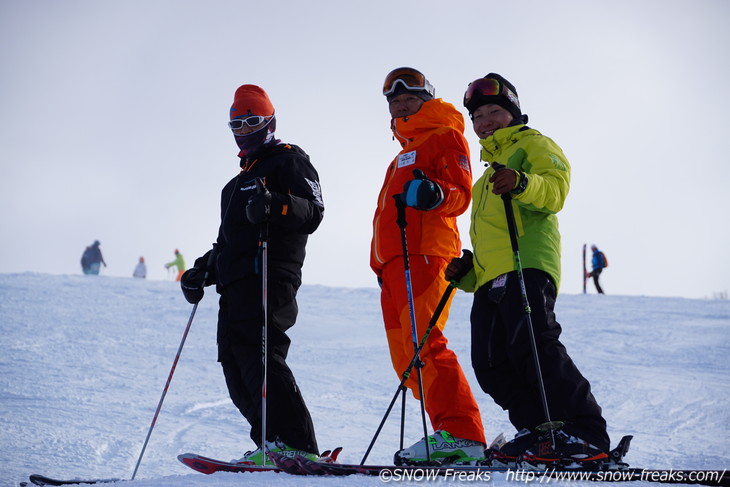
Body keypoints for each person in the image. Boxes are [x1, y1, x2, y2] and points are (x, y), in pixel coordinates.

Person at [445, 73, 611, 468]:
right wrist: (468, 272)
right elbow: (494, 239)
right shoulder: (485, 178)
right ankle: (540, 431)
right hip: (493, 278)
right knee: (489, 363)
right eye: (478, 115)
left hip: (528, 265)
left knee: (534, 346)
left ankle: (585, 434)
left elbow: (554, 191)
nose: (485, 121)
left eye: (493, 112)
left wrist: (521, 182)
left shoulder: (534, 145)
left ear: (512, 112)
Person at [179, 84, 324, 463]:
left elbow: (313, 212)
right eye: (238, 122)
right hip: (235, 285)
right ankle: (271, 443)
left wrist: (275, 204)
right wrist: (201, 271)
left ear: (271, 121)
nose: (245, 128)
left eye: (253, 120)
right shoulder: (235, 186)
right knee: (234, 362)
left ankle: (297, 445)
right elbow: (227, 243)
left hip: (270, 275)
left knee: (262, 358)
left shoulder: (289, 161)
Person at [370, 67, 486, 465]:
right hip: (394, 264)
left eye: (409, 94)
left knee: (425, 345)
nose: (401, 101)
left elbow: (461, 194)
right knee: (406, 359)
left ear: (426, 97)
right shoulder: (402, 154)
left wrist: (436, 194)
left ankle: (462, 433)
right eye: (393, 98)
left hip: (424, 254)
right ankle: (448, 434)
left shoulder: (444, 136)